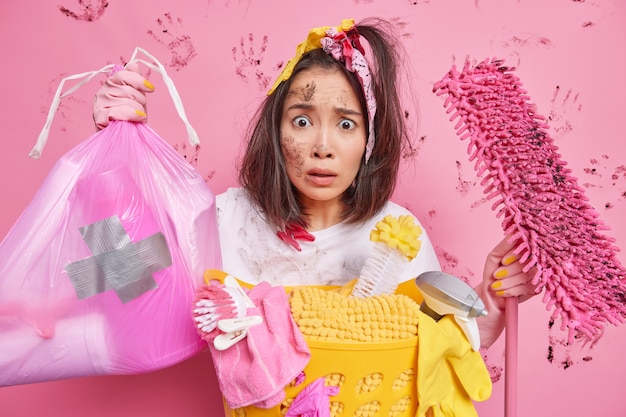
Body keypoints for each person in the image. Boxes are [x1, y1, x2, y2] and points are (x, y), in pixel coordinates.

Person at [93, 17, 537, 350]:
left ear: (369, 140)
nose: (323, 147)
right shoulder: (226, 220)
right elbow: (113, 281)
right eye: (302, 120)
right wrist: (110, 153)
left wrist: (490, 302)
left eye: (346, 124)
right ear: (275, 130)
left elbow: (439, 354)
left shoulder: (399, 235)